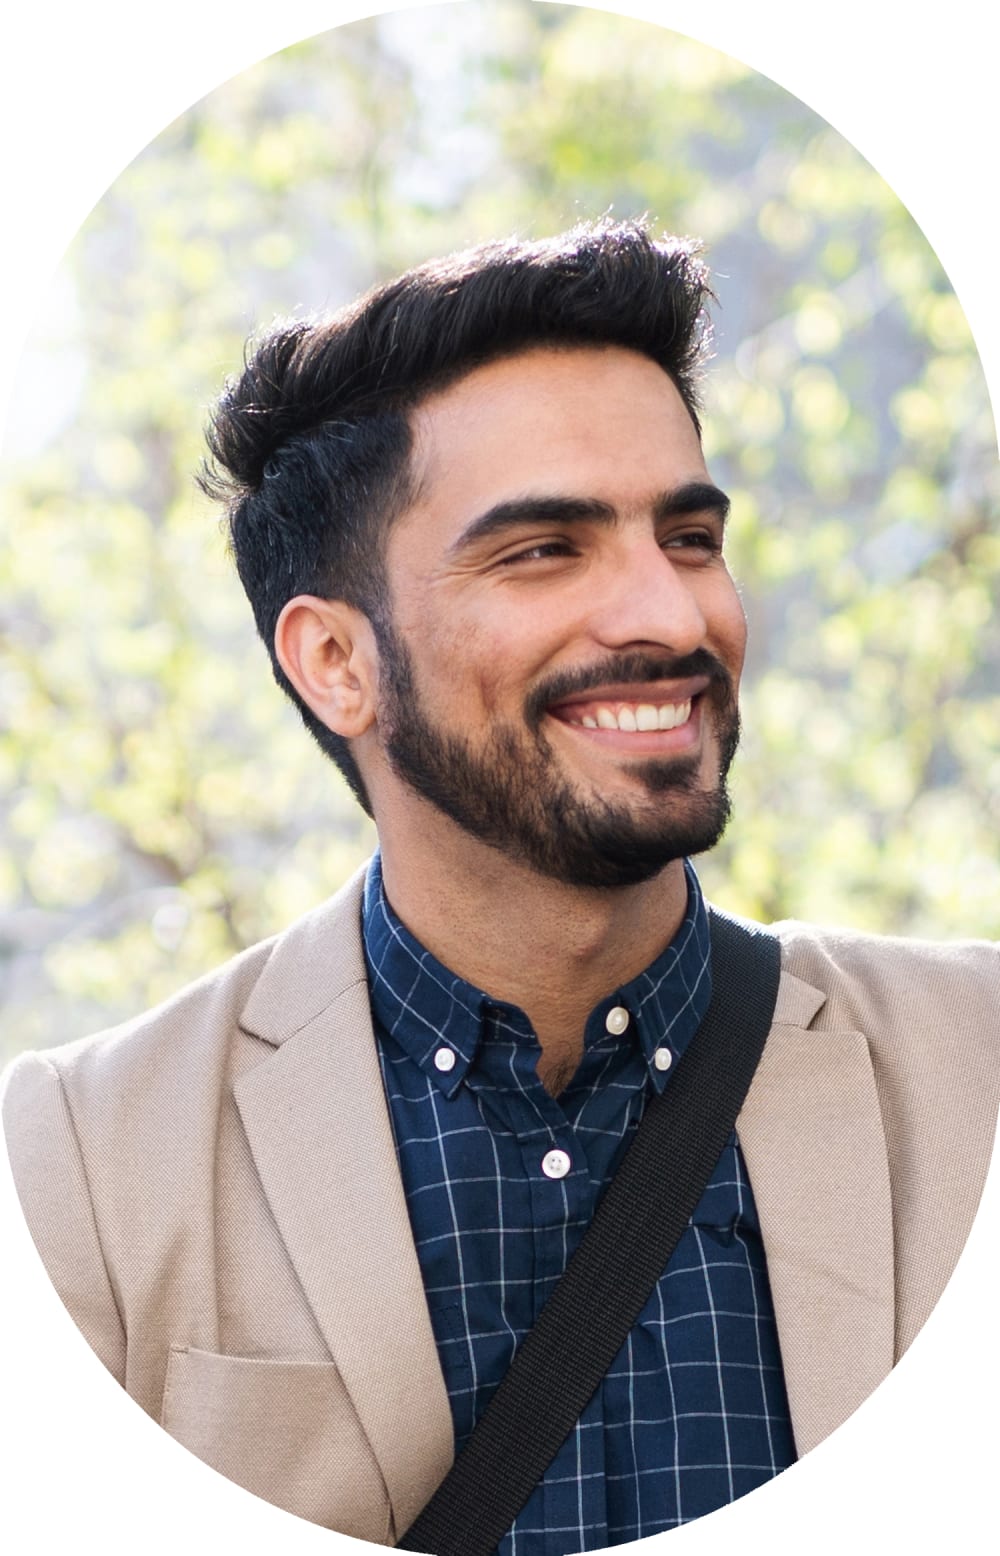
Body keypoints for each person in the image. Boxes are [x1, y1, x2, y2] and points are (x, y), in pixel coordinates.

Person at [2, 220, 998, 1555]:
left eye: (690, 536)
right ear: (337, 664)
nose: (671, 614)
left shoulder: (975, 1064)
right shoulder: (74, 1165)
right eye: (545, 551)